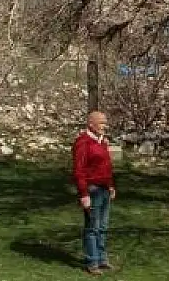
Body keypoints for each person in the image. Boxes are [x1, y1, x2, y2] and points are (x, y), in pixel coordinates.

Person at [72, 110, 116, 275]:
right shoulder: (83, 143)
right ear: (91, 124)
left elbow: (106, 166)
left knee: (103, 227)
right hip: (92, 189)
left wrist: (110, 185)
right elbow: (79, 170)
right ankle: (92, 261)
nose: (105, 126)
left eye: (105, 122)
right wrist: (84, 194)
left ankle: (102, 258)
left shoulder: (102, 142)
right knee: (92, 227)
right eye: (102, 122)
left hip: (104, 189)